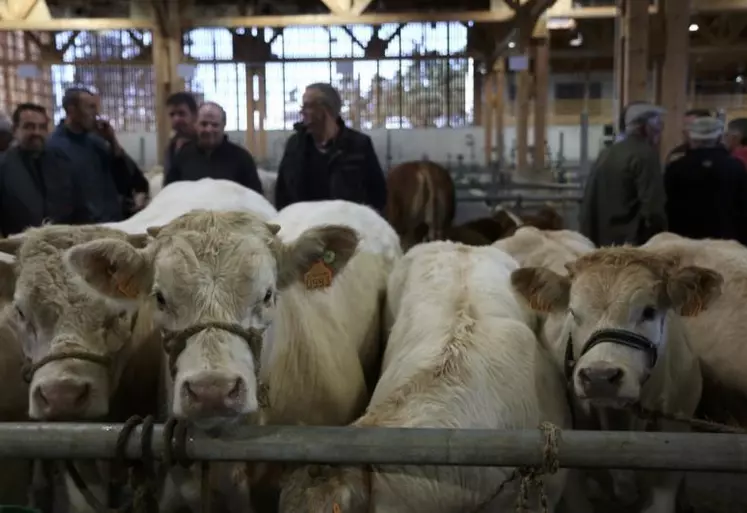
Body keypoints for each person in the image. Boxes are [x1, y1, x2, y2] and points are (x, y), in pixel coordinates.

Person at [275, 82, 387, 213]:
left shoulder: (359, 144)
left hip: (345, 226)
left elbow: (378, 194)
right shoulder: (294, 145)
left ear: (326, 109)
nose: (302, 112)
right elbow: (281, 194)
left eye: (308, 106)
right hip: (304, 225)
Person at [580, 102, 668, 246]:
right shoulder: (645, 155)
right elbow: (653, 207)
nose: (660, 132)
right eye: (658, 125)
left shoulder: (606, 153)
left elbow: (589, 201)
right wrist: (660, 239)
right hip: (631, 246)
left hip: (601, 243)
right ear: (645, 127)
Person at [46, 87, 133, 223]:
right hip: (85, 228)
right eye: (90, 108)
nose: (96, 114)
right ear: (72, 110)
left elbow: (124, 178)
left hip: (112, 222)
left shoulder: (96, 141)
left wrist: (112, 141)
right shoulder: (55, 147)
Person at [0, 103, 87, 236]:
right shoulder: (4, 167)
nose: (36, 132)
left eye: (42, 127)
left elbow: (78, 207)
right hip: (18, 247)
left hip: (63, 242)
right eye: (29, 126)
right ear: (15, 129)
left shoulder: (62, 162)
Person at [665, 116, 747, 244]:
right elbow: (742, 206)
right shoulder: (735, 166)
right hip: (726, 240)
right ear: (720, 138)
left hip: (685, 238)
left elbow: (668, 205)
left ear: (691, 138)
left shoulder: (676, 167)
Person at [163, 101, 263, 194]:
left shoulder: (242, 158)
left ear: (223, 126)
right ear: (196, 125)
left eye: (215, 125)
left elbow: (255, 197)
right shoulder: (183, 155)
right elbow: (169, 192)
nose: (209, 129)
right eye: (204, 124)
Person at [165, 91, 198, 169]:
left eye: (181, 113)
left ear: (194, 115)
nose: (176, 119)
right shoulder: (172, 145)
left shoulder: (205, 143)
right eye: (172, 114)